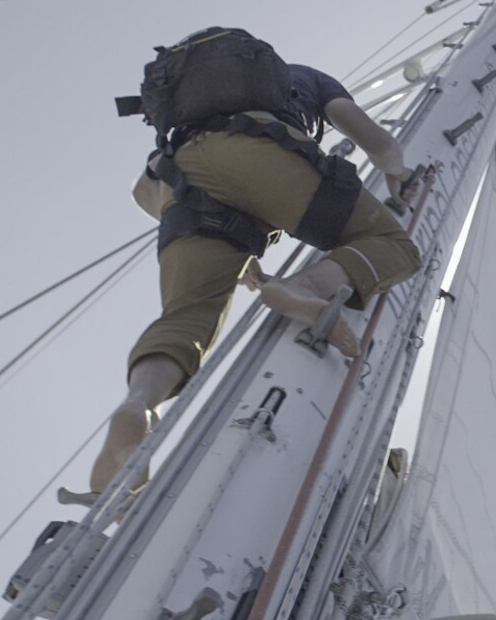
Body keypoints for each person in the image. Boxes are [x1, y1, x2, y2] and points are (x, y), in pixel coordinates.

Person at [85, 58, 422, 498]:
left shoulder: (192, 107)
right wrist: (397, 172)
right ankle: (305, 287)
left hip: (179, 179)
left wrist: (229, 246)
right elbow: (377, 143)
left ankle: (139, 405)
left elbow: (142, 192)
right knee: (393, 244)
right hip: (263, 148)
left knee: (186, 317)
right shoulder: (307, 79)